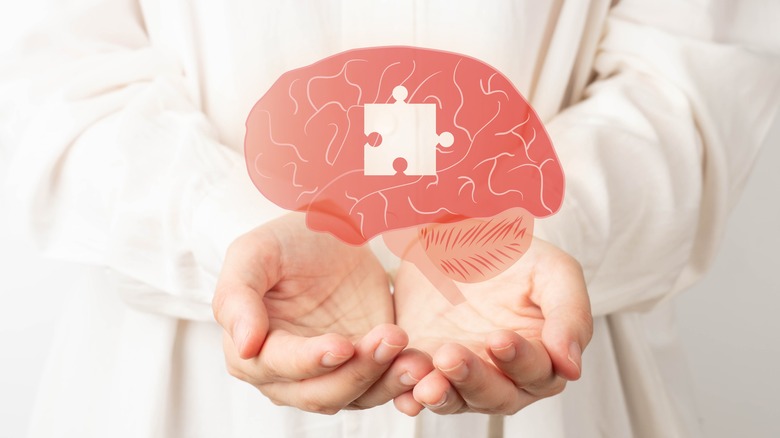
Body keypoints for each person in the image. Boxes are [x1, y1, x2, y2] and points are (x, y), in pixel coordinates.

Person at [1, 1, 778, 437]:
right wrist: (229, 225)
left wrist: (521, 236)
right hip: (177, 397)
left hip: (551, 367)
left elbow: (697, 77)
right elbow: (55, 76)